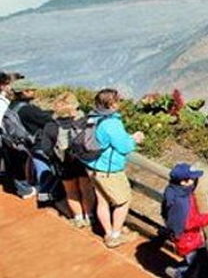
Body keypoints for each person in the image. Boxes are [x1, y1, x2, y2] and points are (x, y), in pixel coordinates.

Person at [83, 88, 144, 248]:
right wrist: (135, 139)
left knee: (102, 201)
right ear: (111, 103)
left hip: (93, 166)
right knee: (123, 201)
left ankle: (109, 232)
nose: (121, 102)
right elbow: (124, 147)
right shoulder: (111, 123)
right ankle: (115, 235)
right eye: (118, 100)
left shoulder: (93, 117)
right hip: (109, 170)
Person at [35, 92, 95, 227]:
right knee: (86, 189)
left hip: (63, 164)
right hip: (82, 161)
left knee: (71, 191)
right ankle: (89, 216)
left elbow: (46, 149)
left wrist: (56, 158)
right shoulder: (84, 122)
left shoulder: (51, 126)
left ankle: (78, 218)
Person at [161, 163, 208, 278]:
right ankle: (178, 274)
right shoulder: (181, 203)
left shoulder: (174, 191)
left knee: (199, 261)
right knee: (195, 263)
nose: (195, 180)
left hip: (186, 237)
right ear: (183, 182)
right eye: (192, 178)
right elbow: (190, 222)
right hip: (188, 239)